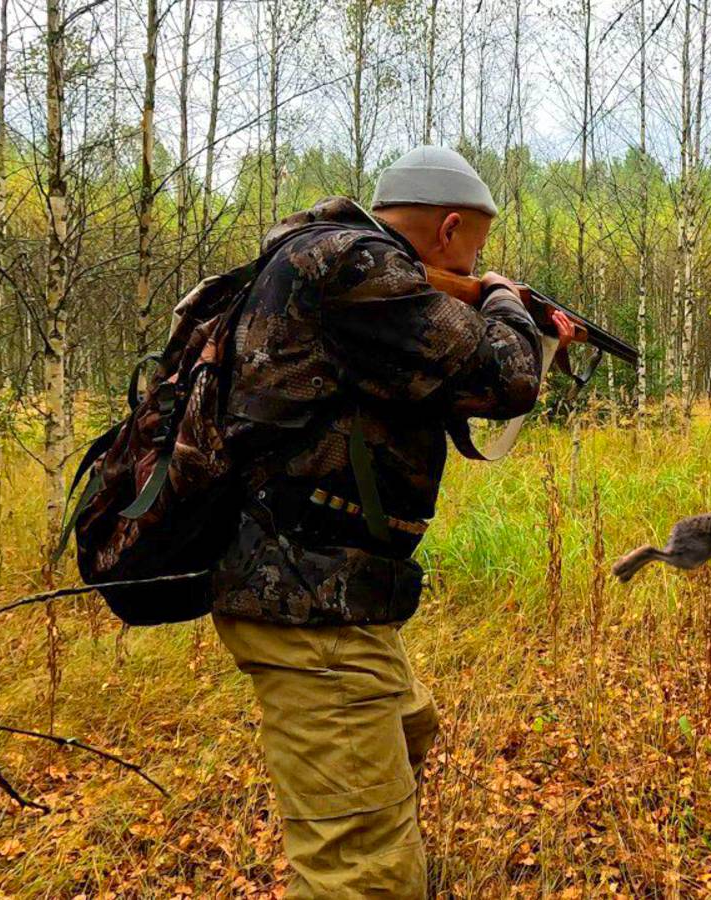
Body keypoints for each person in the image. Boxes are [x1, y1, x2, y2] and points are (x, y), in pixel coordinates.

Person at [210, 146, 576, 898]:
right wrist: (505, 300)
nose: (479, 264)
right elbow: (505, 376)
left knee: (410, 725)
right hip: (310, 601)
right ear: (448, 229)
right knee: (365, 874)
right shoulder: (356, 270)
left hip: (326, 589)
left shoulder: (324, 257)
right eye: (477, 251)